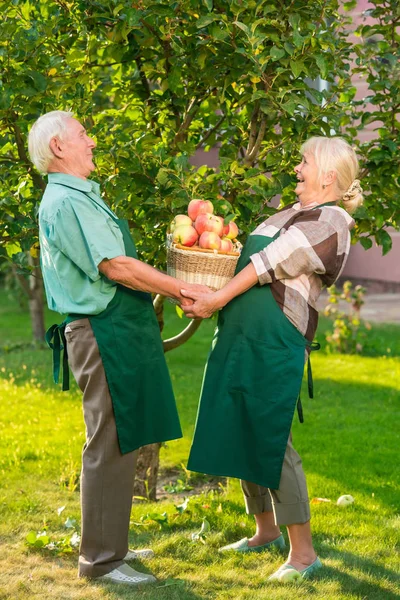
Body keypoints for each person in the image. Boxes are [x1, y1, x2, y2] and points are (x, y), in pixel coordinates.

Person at [28, 110, 208, 586]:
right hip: (101, 332)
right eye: (82, 134)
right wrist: (183, 290)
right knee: (107, 443)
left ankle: (113, 546)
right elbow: (118, 268)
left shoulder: (81, 197)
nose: (91, 141)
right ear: (59, 148)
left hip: (117, 329)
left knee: (124, 439)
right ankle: (101, 562)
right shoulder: (66, 203)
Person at [181, 136, 363, 583]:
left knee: (269, 434)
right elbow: (238, 258)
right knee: (240, 424)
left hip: (276, 336)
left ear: (328, 175)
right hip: (240, 331)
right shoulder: (283, 214)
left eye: (304, 161)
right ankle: (265, 530)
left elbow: (270, 262)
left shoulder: (334, 219)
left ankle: (304, 554)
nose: (296, 167)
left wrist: (216, 297)